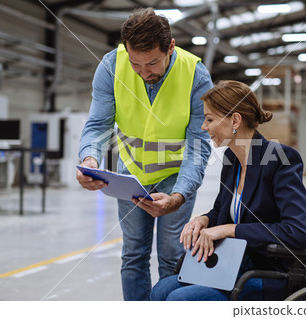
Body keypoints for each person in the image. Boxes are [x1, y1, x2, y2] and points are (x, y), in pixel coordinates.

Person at [76, 8, 212, 301]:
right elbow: (99, 124)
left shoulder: (195, 74)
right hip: (131, 174)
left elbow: (199, 143)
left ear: (170, 47)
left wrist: (180, 195)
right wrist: (90, 160)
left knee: (173, 256)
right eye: (136, 64)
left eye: (152, 63)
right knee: (134, 255)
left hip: (176, 178)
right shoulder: (112, 65)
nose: (144, 72)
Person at [150, 80, 306, 301]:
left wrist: (230, 230)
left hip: (272, 271)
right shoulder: (232, 159)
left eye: (209, 119)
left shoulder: (280, 159)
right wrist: (204, 220)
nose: (203, 126)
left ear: (235, 120)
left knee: (180, 300)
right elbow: (221, 210)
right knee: (161, 290)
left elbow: (297, 233)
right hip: (235, 265)